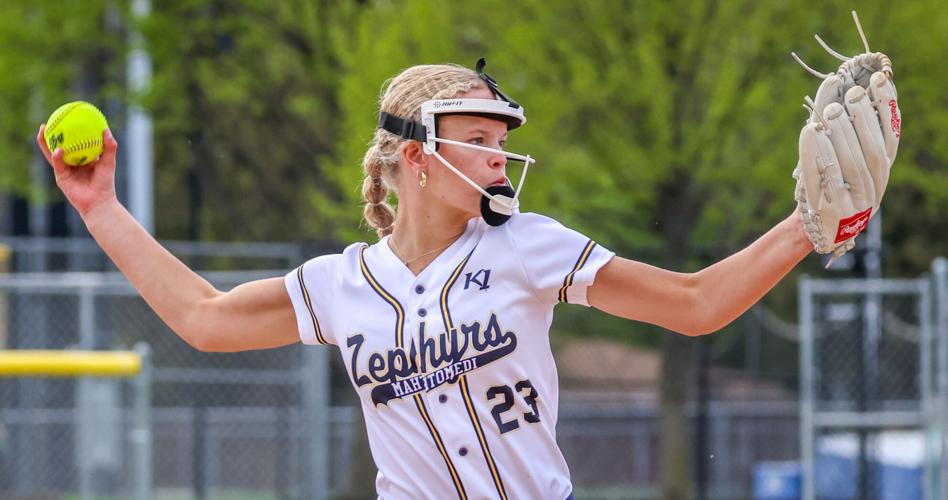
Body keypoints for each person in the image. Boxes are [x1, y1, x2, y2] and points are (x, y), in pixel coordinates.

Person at [37, 60, 813, 500]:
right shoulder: (343, 284)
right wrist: (100, 206)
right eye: (476, 139)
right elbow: (204, 318)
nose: (497, 156)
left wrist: (808, 223)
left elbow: (697, 303)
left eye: (501, 140)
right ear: (414, 157)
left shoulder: (529, 247)